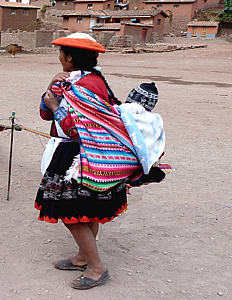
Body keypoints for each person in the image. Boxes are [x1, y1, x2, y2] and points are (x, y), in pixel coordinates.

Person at [35, 33, 142, 290]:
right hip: (86, 154)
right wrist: (51, 89)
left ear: (71, 57)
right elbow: (43, 114)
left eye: (61, 53)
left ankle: (96, 268)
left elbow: (76, 129)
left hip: (80, 157)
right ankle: (84, 256)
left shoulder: (84, 87)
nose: (59, 57)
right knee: (88, 209)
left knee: (70, 213)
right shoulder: (82, 81)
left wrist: (55, 105)